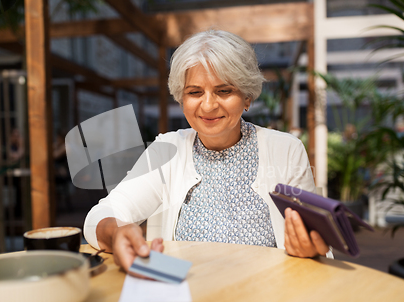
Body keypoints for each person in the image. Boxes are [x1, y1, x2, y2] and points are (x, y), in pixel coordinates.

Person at [84, 30, 330, 276]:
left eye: (224, 91)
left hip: (267, 297)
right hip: (188, 296)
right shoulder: (166, 150)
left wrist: (309, 247)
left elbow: (315, 239)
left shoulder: (285, 150)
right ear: (182, 99)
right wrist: (116, 233)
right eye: (194, 92)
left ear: (247, 97)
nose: (209, 105)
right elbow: (102, 215)